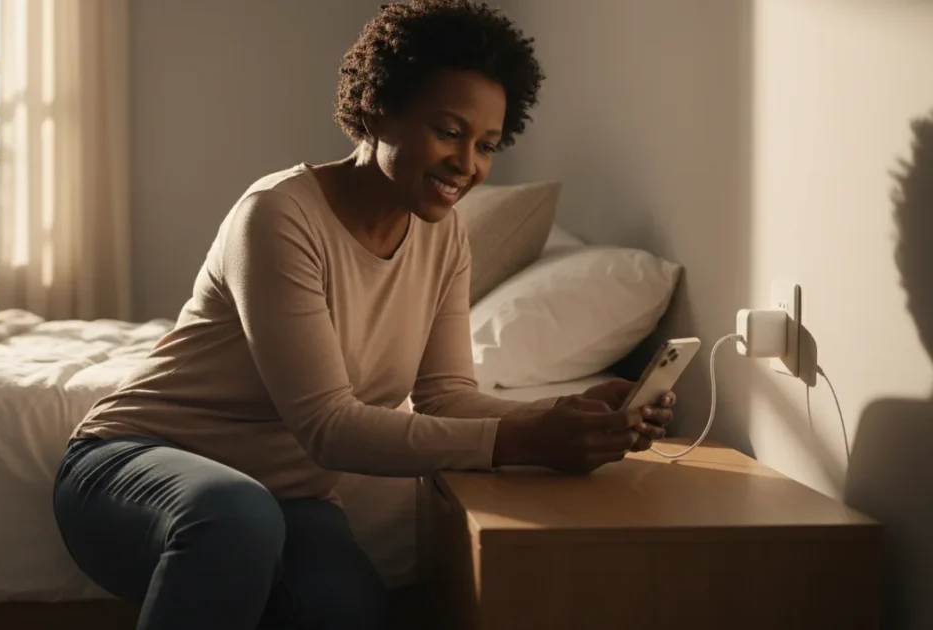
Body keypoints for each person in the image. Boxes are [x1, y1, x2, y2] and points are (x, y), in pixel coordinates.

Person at [52, 1, 675, 628]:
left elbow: (448, 397)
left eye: (487, 144)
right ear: (379, 109)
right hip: (136, 463)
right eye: (450, 131)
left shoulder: (445, 237)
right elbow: (328, 425)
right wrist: (527, 439)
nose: (468, 165)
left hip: (289, 498)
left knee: (346, 611)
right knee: (236, 517)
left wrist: (567, 415)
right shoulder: (278, 215)